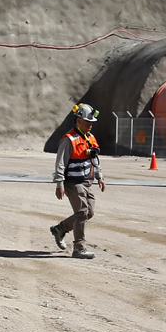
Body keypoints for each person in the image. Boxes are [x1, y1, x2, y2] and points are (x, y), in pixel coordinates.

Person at [50, 103, 106, 259]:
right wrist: (59, 184)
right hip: (72, 182)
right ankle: (79, 248)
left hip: (86, 182)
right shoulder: (69, 140)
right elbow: (60, 163)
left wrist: (99, 176)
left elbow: (94, 159)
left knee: (89, 213)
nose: (90, 125)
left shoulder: (90, 138)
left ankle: (59, 229)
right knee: (81, 212)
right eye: (88, 122)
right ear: (78, 121)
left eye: (92, 123)